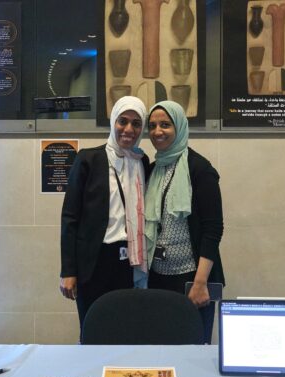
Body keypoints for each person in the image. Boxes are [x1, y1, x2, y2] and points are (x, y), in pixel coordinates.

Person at [60, 96, 149, 339]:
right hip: (94, 262)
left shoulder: (141, 162)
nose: (129, 129)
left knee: (123, 328)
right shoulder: (89, 159)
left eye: (136, 123)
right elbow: (70, 217)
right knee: (92, 330)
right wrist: (68, 271)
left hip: (127, 261)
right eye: (123, 121)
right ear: (113, 121)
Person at [145, 100, 225, 344]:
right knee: (159, 344)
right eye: (152, 126)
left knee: (193, 348)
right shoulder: (152, 169)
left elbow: (213, 229)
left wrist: (200, 283)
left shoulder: (200, 169)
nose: (158, 131)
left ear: (179, 127)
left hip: (192, 279)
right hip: (158, 277)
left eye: (165, 125)